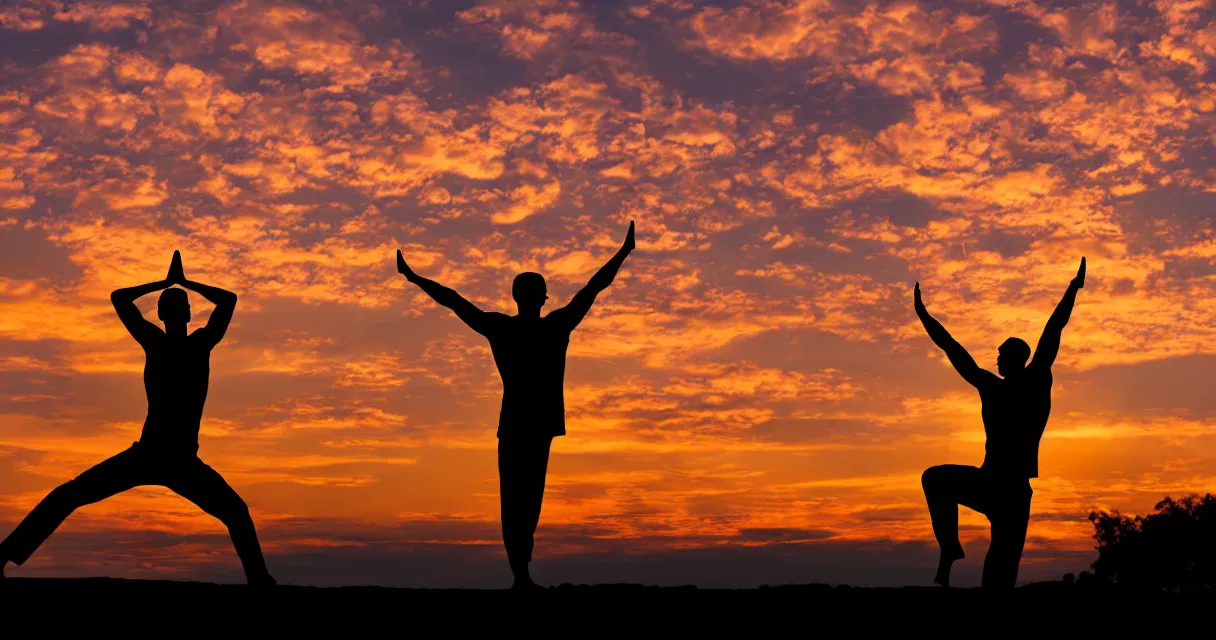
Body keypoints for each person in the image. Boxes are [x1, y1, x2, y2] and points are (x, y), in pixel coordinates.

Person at [0, 251, 275, 586]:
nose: (176, 312)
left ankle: (260, 580)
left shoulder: (192, 343)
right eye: (172, 307)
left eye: (179, 306)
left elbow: (226, 300)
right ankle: (3, 554)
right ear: (165, 314)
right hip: (151, 454)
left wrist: (177, 282)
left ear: (185, 314)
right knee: (69, 495)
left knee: (236, 513)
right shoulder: (164, 343)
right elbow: (123, 298)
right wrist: (171, 282)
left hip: (178, 458)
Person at [397, 221, 636, 590]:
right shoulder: (553, 326)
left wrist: (415, 278)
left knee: (517, 500)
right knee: (525, 500)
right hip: (534, 425)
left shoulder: (506, 328)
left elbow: (454, 300)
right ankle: (521, 575)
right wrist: (622, 253)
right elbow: (594, 287)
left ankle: (521, 574)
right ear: (541, 298)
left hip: (520, 426)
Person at [917, 257, 1085, 589]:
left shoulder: (1034, 380)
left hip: (1011, 491)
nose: (996, 358)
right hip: (990, 482)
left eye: (1001, 353)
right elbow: (953, 349)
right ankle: (950, 546)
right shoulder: (991, 386)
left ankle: (957, 553)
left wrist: (1072, 289)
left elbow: (1054, 329)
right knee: (934, 478)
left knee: (998, 580)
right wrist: (924, 316)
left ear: (1015, 357)